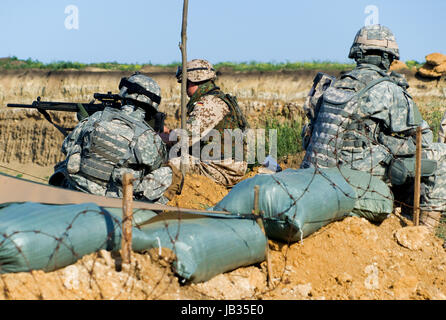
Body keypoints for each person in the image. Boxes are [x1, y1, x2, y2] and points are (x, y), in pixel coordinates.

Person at [300, 24, 446, 231]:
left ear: (357, 54)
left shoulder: (334, 85)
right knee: (441, 154)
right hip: (358, 173)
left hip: (319, 170)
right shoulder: (387, 89)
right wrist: (387, 143)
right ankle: (425, 232)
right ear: (387, 57)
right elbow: (422, 139)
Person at [49, 73, 183, 204]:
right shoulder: (149, 137)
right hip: (114, 201)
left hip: (78, 188)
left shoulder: (97, 117)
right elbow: (156, 166)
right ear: (152, 104)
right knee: (170, 173)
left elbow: (67, 146)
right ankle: (146, 210)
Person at [169, 59, 249, 187]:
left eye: (185, 83)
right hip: (229, 164)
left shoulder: (209, 104)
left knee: (170, 164)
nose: (184, 89)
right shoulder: (218, 99)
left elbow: (185, 138)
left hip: (222, 169)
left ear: (192, 81)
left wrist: (167, 135)